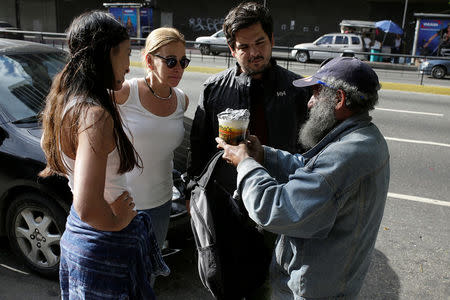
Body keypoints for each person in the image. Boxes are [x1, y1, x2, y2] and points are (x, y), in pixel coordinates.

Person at [216, 56, 390, 299]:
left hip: (315, 290)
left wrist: (244, 163)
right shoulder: (362, 136)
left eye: (316, 93)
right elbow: (310, 171)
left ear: (338, 99)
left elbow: (276, 209)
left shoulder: (346, 155)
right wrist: (264, 155)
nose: (309, 103)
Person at [39, 11, 168, 299]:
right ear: (108, 53)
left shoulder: (68, 101)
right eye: (126, 54)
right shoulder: (95, 115)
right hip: (104, 243)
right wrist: (117, 221)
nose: (128, 65)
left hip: (79, 234)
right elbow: (89, 205)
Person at [187, 1, 310, 179]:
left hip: (283, 193)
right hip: (228, 197)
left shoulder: (298, 88)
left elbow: (311, 150)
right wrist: (192, 187)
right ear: (232, 50)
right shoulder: (213, 89)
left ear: (272, 40)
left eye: (260, 43)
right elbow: (199, 146)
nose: (254, 53)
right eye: (244, 47)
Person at [115, 27, 189, 252]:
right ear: (149, 60)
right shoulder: (125, 93)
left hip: (162, 202)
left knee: (150, 273)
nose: (178, 69)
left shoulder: (181, 100)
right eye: (170, 61)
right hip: (125, 204)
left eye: (183, 62)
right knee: (124, 277)